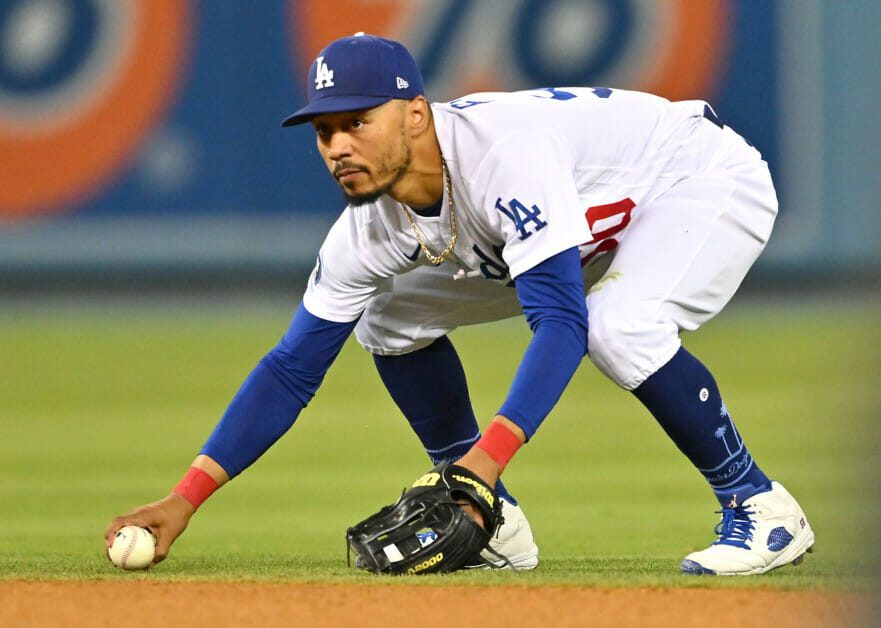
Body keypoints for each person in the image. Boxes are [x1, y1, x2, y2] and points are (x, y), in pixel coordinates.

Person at [106, 33, 814, 576]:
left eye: (358, 122)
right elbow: (292, 369)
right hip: (588, 221)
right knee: (386, 317)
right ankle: (491, 519)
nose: (339, 146)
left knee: (617, 325)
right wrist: (184, 497)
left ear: (416, 114)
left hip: (695, 178)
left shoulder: (503, 156)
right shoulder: (365, 230)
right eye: (325, 131)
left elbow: (560, 323)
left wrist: (490, 455)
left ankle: (758, 505)